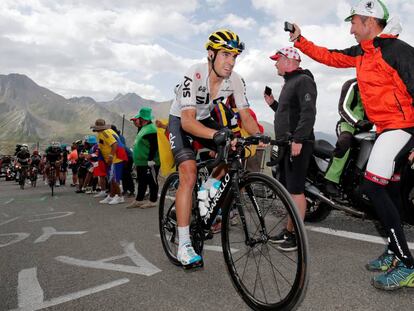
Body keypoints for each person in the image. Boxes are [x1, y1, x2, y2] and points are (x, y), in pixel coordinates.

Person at [289, 0, 414, 289]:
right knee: (391, 189)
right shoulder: (362, 53)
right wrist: (300, 40)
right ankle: (394, 252)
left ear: (369, 22)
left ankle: (407, 265)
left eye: (353, 23)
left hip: (403, 127)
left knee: (372, 187)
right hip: (386, 128)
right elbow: (329, 57)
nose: (351, 30)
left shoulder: (397, 51)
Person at [168, 29, 261, 269]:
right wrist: (217, 134)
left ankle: (206, 193)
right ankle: (184, 244)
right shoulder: (195, 72)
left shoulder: (235, 80)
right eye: (225, 55)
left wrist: (260, 136)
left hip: (205, 118)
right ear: (211, 54)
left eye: (234, 56)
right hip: (181, 120)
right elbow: (188, 121)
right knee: (188, 172)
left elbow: (246, 117)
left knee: (231, 152)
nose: (231, 62)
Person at [264, 47, 317, 252]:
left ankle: (296, 237)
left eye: (277, 60)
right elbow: (288, 114)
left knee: (296, 190)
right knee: (289, 190)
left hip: (298, 143)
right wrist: (273, 104)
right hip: (289, 143)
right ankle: (288, 230)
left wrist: (299, 139)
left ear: (288, 61)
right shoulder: (290, 82)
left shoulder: (303, 80)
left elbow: (308, 112)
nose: (275, 64)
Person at [324, 78, 372, 197]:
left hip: (366, 128)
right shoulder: (353, 84)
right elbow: (343, 107)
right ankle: (330, 179)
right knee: (345, 142)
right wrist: (357, 122)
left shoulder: (377, 86)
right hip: (347, 124)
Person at [127, 107, 160, 209]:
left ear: (143, 119)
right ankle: (139, 200)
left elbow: (154, 146)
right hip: (141, 162)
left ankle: (153, 201)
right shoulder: (144, 128)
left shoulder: (151, 129)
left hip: (149, 162)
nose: (137, 120)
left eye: (139, 118)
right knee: (142, 181)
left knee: (151, 181)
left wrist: (150, 159)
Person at [91, 119, 127, 205]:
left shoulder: (105, 133)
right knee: (111, 178)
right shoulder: (104, 132)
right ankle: (111, 196)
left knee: (114, 179)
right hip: (109, 159)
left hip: (115, 159)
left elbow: (114, 144)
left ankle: (120, 196)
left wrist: (110, 156)